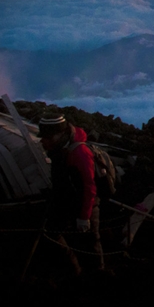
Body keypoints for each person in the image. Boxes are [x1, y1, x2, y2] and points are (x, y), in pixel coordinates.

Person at [37, 113, 103, 273]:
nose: (42, 141)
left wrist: (84, 217)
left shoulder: (79, 153)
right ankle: (76, 272)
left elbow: (89, 187)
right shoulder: (59, 149)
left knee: (90, 245)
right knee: (53, 234)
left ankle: (98, 278)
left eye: (47, 136)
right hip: (67, 203)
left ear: (60, 134)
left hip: (84, 206)